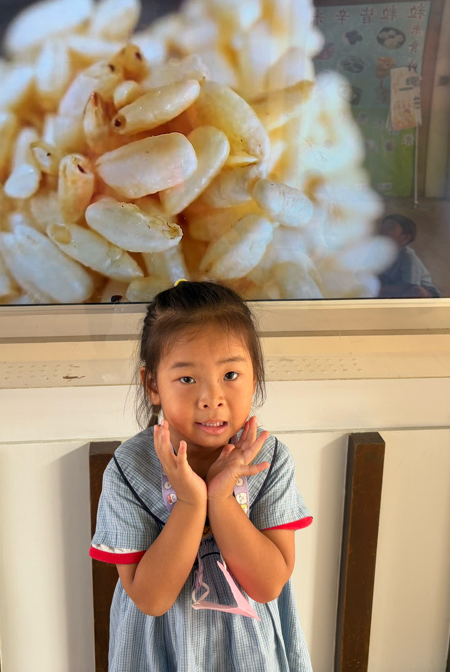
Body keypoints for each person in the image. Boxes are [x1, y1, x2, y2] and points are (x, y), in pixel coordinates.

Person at [90, 281, 313, 671]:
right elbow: (152, 599)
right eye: (187, 379)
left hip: (249, 654)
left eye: (231, 374)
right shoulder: (129, 469)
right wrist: (191, 503)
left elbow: (267, 585)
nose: (212, 398)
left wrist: (222, 500)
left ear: (255, 377)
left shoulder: (269, 459)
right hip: (160, 653)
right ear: (152, 384)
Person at [378, 213, 440, 298]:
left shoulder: (408, 257)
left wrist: (382, 290)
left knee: (416, 292)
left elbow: (408, 286)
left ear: (405, 238)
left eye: (390, 227)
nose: (383, 231)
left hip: (419, 291)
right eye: (382, 227)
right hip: (391, 289)